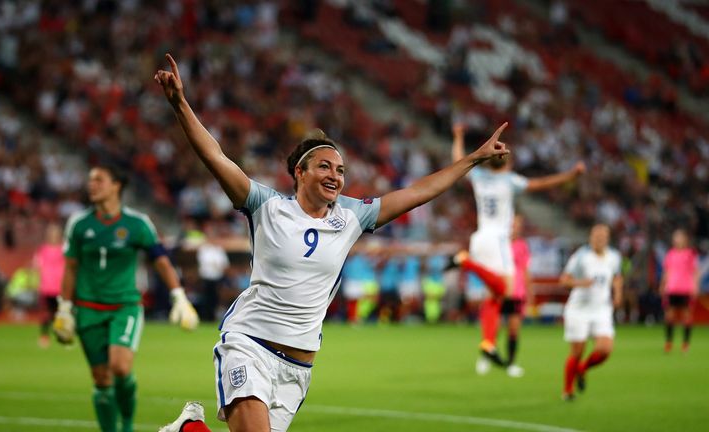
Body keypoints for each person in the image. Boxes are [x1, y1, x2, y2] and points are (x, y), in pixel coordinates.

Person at [154, 53, 509, 432]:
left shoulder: (352, 217)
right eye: (324, 166)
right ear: (299, 172)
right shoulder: (266, 206)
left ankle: (189, 428)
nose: (335, 176)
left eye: (340, 170)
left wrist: (472, 159)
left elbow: (419, 191)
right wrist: (180, 104)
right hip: (250, 344)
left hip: (297, 368)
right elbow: (215, 156)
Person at [52, 164, 199, 432]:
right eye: (90, 180)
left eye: (99, 179)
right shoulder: (79, 224)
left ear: (116, 185)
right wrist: (64, 308)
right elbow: (71, 267)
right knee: (101, 379)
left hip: (125, 307)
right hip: (87, 309)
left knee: (119, 367)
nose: (92, 184)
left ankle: (128, 425)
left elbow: (161, 261)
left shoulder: (137, 224)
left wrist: (179, 297)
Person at [449, 122, 585, 375]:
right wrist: (571, 175)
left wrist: (457, 137)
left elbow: (458, 161)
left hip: (479, 237)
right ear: (506, 162)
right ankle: (465, 262)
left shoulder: (478, 176)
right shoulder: (509, 180)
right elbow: (542, 184)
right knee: (507, 290)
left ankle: (488, 342)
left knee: (493, 297)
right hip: (498, 239)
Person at [559, 224, 622, 401]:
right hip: (579, 309)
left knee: (605, 350)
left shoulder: (614, 257)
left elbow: (617, 277)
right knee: (577, 352)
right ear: (590, 237)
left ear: (607, 239)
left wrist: (617, 293)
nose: (599, 239)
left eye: (603, 237)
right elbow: (564, 281)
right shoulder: (581, 257)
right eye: (596, 236)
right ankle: (568, 390)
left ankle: (582, 368)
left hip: (602, 309)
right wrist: (580, 283)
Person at [660, 228, 698, 353]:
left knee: (687, 316)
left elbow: (695, 272)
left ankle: (685, 343)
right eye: (675, 237)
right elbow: (667, 271)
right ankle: (669, 342)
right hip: (672, 288)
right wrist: (663, 285)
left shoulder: (690, 254)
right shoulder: (670, 254)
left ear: (685, 239)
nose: (677, 239)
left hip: (686, 289)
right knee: (669, 316)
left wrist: (695, 286)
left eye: (680, 237)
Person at [502, 214, 532, 375]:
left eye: (518, 224)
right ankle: (485, 357)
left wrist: (529, 292)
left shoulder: (522, 246)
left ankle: (511, 363)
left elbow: (526, 270)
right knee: (492, 327)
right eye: (513, 224)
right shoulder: (499, 243)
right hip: (499, 291)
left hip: (516, 292)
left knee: (513, 329)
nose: (515, 227)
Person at [34, 223, 65, 348]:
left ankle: (61, 335)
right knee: (46, 313)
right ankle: (44, 336)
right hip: (47, 285)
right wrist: (38, 282)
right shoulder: (43, 250)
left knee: (60, 313)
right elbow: (38, 266)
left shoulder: (63, 249)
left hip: (59, 285)